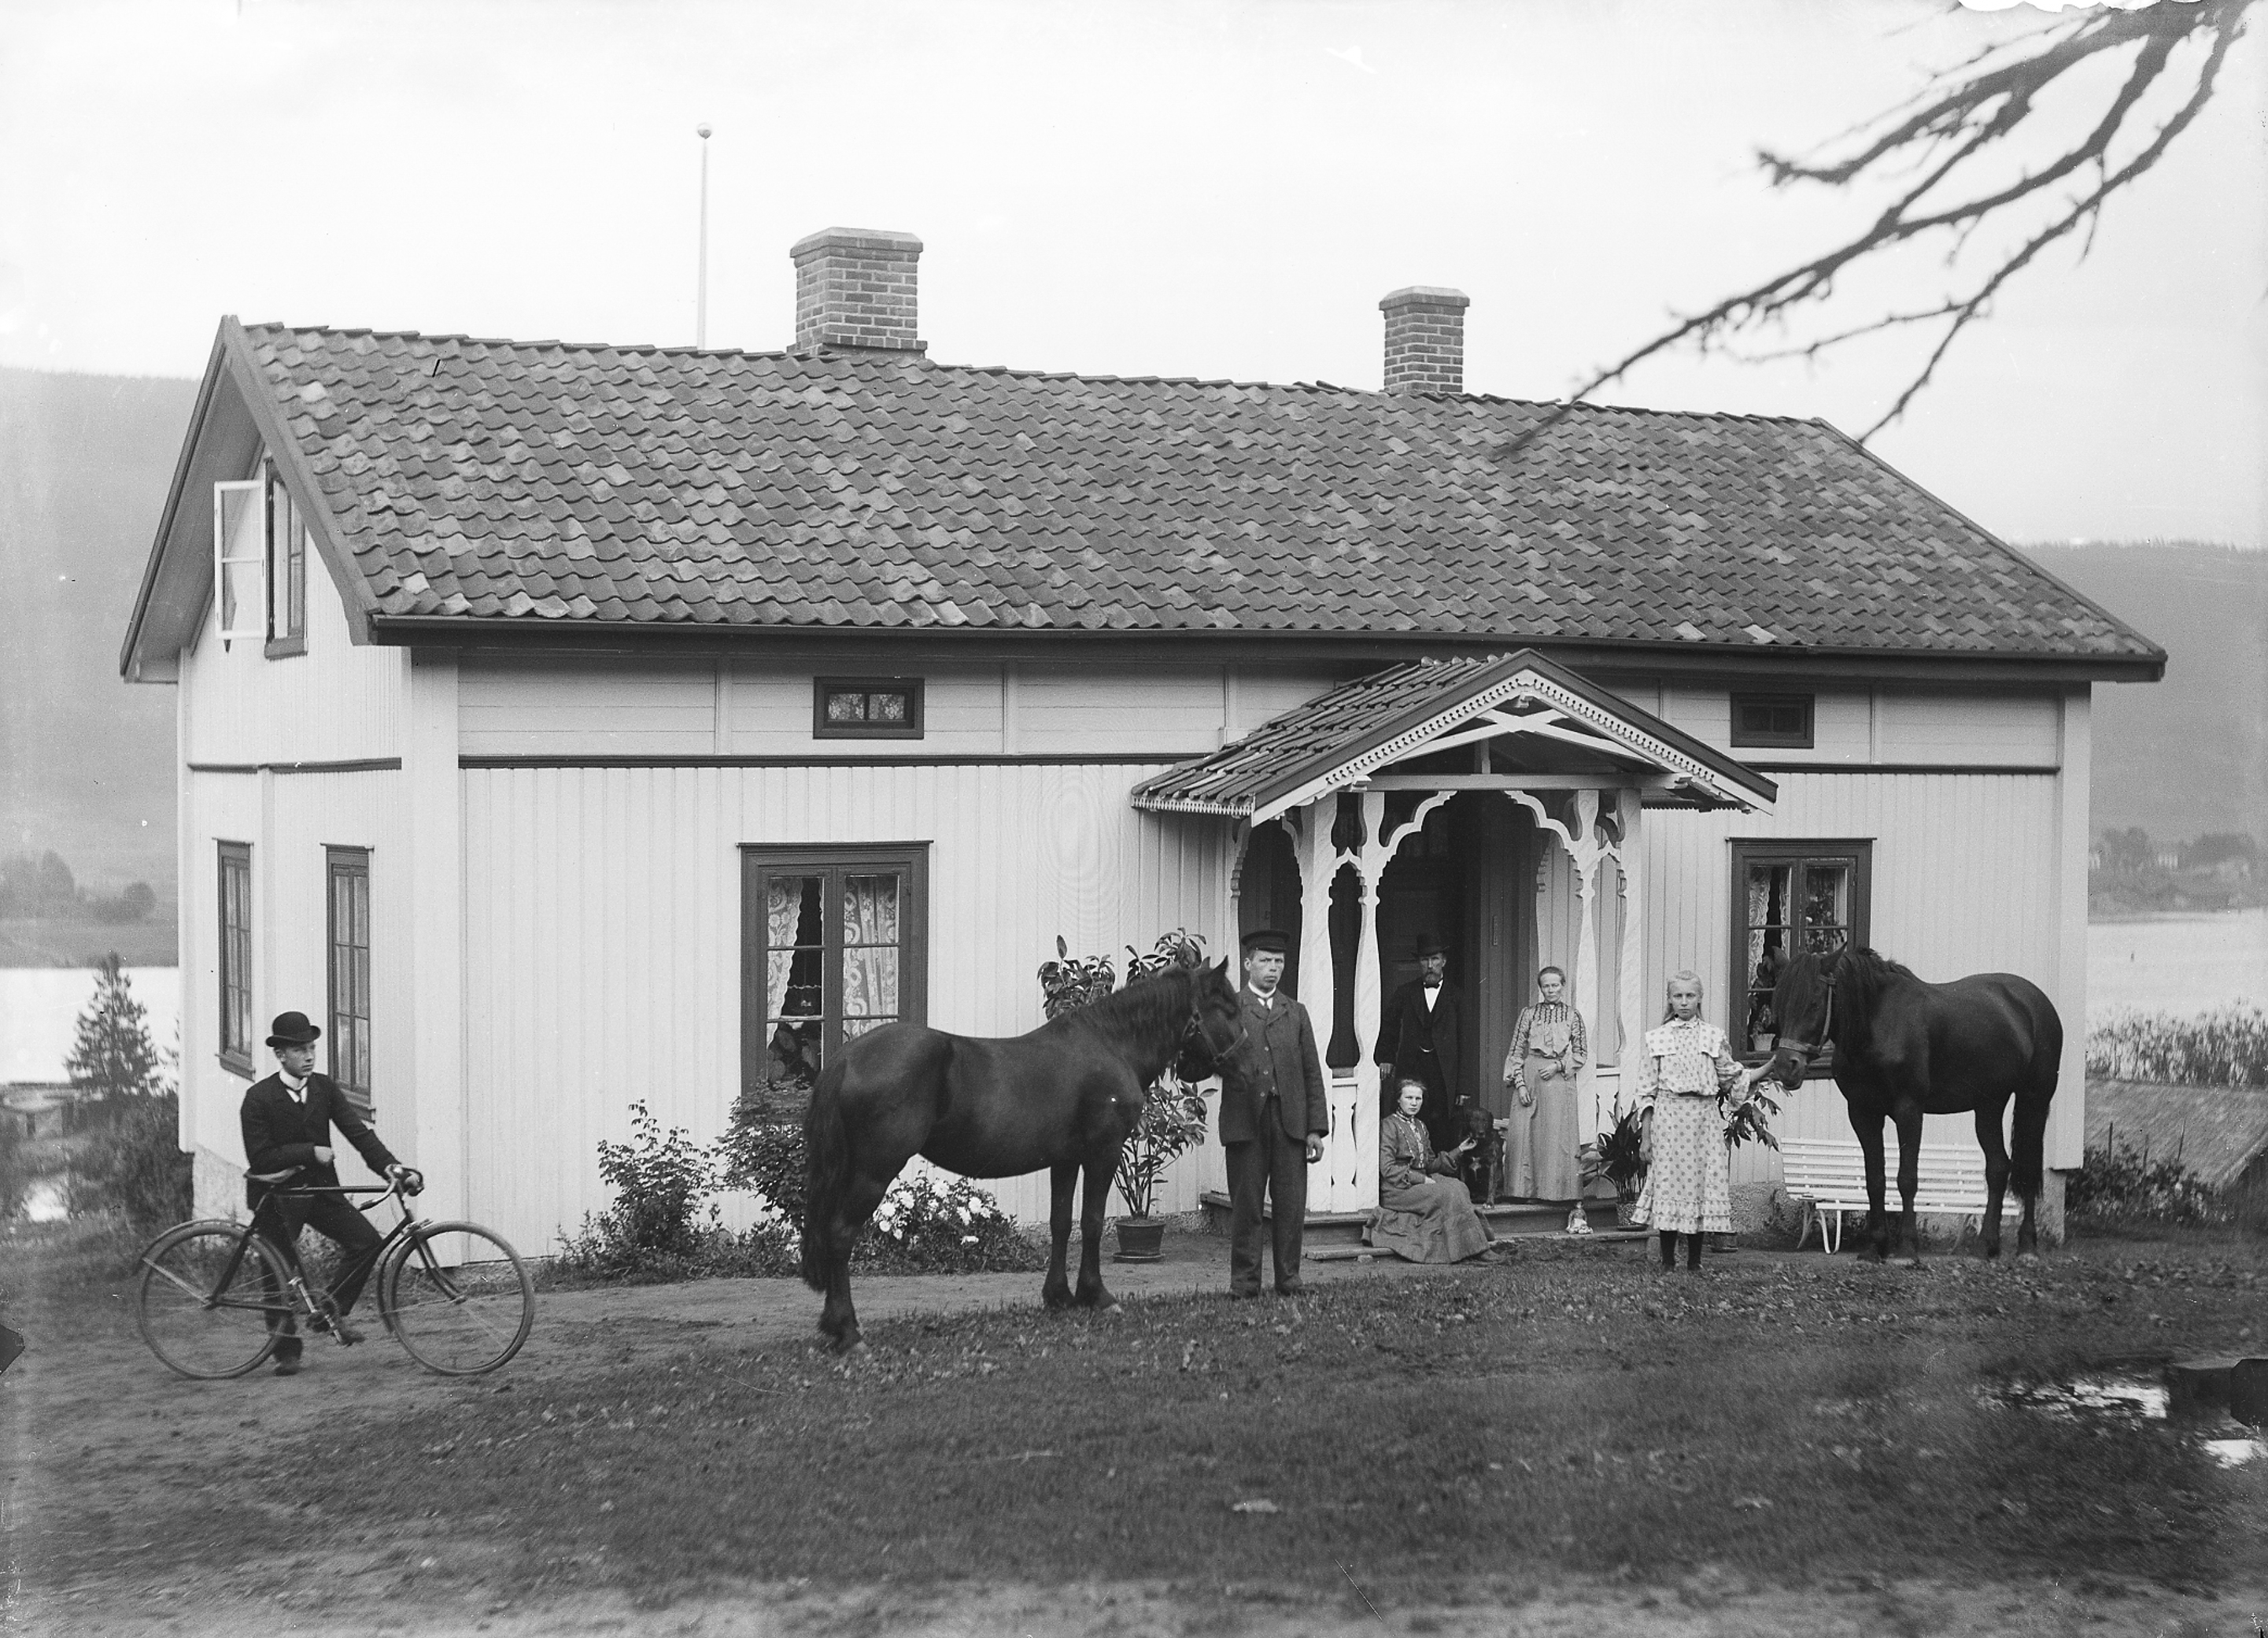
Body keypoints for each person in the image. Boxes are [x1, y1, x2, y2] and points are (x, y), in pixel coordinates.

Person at [240, 1011, 422, 1375]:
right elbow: (260, 1157)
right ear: (280, 1055)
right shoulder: (258, 1098)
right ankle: (286, 1352)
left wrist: (392, 1168)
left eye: (312, 1048)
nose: (309, 1057)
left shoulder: (323, 1088)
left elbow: (358, 1133)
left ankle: (329, 1312)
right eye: (300, 1050)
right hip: (277, 1197)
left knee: (366, 1242)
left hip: (321, 1191)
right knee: (277, 1272)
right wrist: (310, 1152)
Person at [1217, 929, 1330, 1298]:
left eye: (1279, 961)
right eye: (1265, 961)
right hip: (1245, 1122)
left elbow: (1312, 1072)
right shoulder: (1231, 1010)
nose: (1273, 968)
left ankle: (1289, 1279)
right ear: (1247, 964)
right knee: (1247, 1206)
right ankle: (1245, 1283)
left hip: (1290, 1123)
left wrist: (1315, 1129)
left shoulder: (1295, 1013)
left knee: (1291, 1206)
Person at [1632, 971, 1757, 1274]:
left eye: (1690, 996)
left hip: (1703, 1121)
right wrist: (1646, 1137)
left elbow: (1732, 1077)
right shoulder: (1657, 1038)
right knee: (1669, 1185)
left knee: (1699, 1187)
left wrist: (1769, 1068)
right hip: (1669, 1120)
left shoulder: (1712, 1036)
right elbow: (1647, 1092)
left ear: (1699, 998)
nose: (1684, 1002)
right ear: (1670, 999)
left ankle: (1694, 1261)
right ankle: (1667, 1261)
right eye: (1678, 996)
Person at [1369, 1077, 1497, 1263]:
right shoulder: (1389, 1126)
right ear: (1398, 1099)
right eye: (1409, 1098)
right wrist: (1421, 1179)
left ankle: (1472, 1243)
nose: (1414, 1103)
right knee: (1448, 1193)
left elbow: (1429, 1164)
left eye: (1418, 1099)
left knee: (1459, 1186)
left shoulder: (1420, 1126)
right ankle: (1477, 1248)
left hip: (1421, 1182)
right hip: (1397, 1189)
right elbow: (1387, 1168)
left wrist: (1459, 1150)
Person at [1502, 966, 1588, 1230]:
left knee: (1556, 1135)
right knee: (1528, 1133)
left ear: (1563, 986)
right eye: (1546, 986)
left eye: (1555, 985)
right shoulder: (1528, 1014)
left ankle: (1557, 1192)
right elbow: (1516, 1051)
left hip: (1559, 1078)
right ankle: (1527, 1191)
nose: (1551, 990)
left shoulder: (1573, 1015)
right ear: (1540, 988)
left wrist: (1559, 1066)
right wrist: (1520, 1084)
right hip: (1531, 1075)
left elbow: (1581, 1053)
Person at [1374, 932, 1465, 1152]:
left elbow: (1466, 1042)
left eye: (1435, 959)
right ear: (1419, 963)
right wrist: (1386, 1057)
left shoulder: (1456, 996)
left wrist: (1463, 1087)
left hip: (1443, 1071)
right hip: (1412, 1067)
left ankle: (1440, 1167)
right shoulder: (1405, 993)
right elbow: (1389, 1026)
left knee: (1442, 1123)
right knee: (1410, 1116)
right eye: (1425, 960)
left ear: (1443, 961)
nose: (1430, 966)